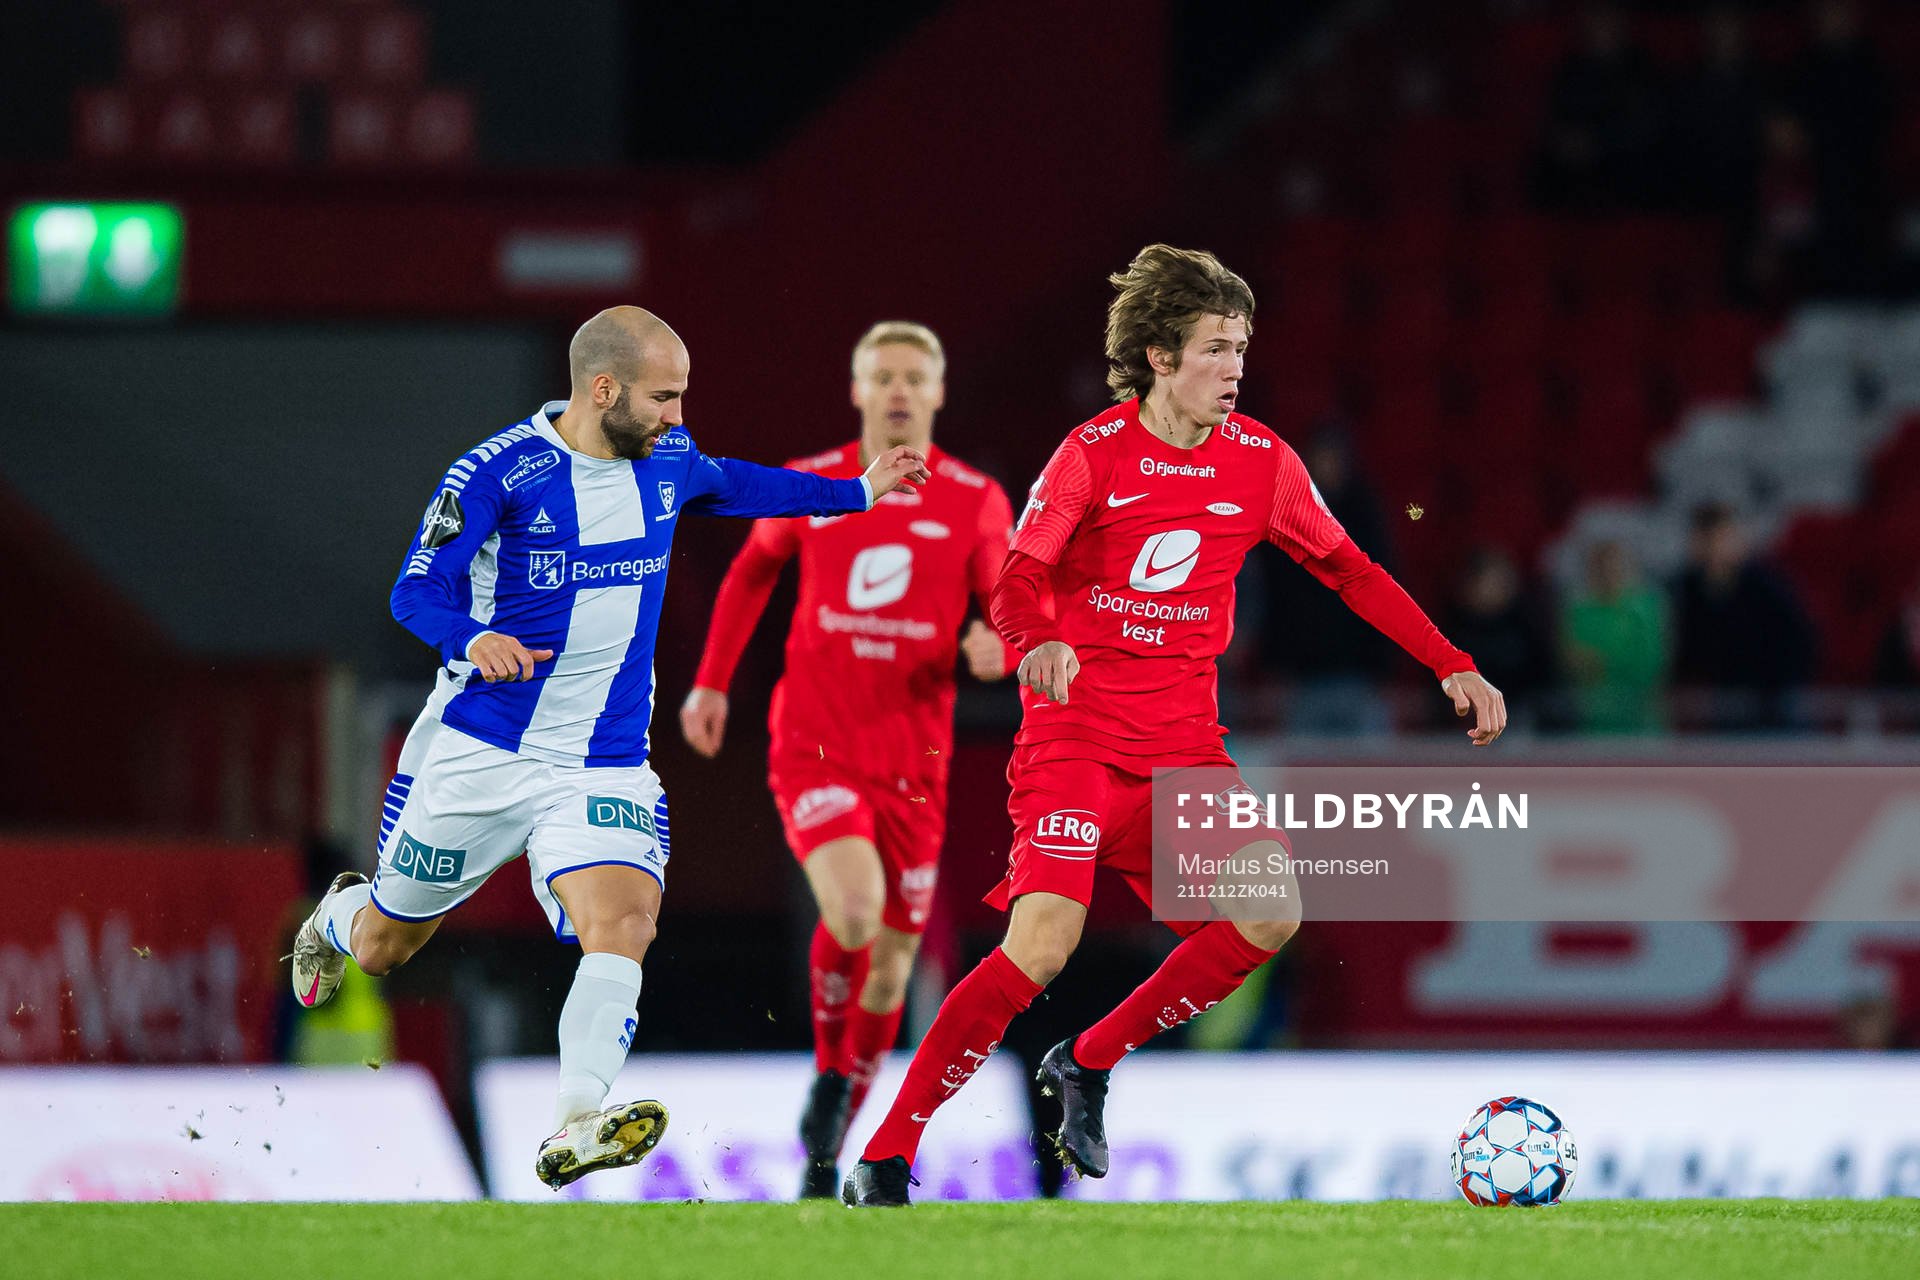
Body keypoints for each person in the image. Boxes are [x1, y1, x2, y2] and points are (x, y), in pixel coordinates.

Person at [842, 245, 1504, 1206]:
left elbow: (1350, 569)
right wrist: (1036, 641)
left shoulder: (1263, 463)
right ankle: (889, 1156)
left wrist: (1451, 662)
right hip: (1075, 743)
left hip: (1185, 754)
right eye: (1214, 349)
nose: (1235, 367)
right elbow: (1020, 577)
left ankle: (1088, 1061)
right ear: (1158, 356)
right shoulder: (1091, 455)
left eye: (1242, 348)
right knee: (1041, 946)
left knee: (1272, 909)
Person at [287, 306, 929, 1190]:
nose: (676, 415)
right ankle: (334, 917)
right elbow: (416, 589)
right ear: (604, 388)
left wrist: (854, 492)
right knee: (386, 946)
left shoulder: (664, 459)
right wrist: (470, 640)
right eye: (664, 396)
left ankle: (575, 1121)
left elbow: (731, 483)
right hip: (482, 749)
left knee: (623, 924)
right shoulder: (498, 474)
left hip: (605, 760)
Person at [678, 321, 1016, 1198]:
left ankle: (833, 1138)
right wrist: (712, 683)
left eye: (915, 377)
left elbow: (1010, 602)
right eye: (884, 377)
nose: (899, 391)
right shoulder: (819, 485)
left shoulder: (976, 499)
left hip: (916, 761)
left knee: (896, 970)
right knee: (858, 911)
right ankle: (833, 1076)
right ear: (858, 390)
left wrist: (1000, 647)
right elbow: (752, 571)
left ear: (937, 395)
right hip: (816, 745)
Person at [1560, 539, 1669, 735]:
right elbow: (1575, 663)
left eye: (1615, 565)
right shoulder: (1580, 613)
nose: (1609, 574)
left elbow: (1650, 664)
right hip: (1593, 722)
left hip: (1643, 720)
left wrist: (1603, 663)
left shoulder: (1646, 609)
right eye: (1601, 567)